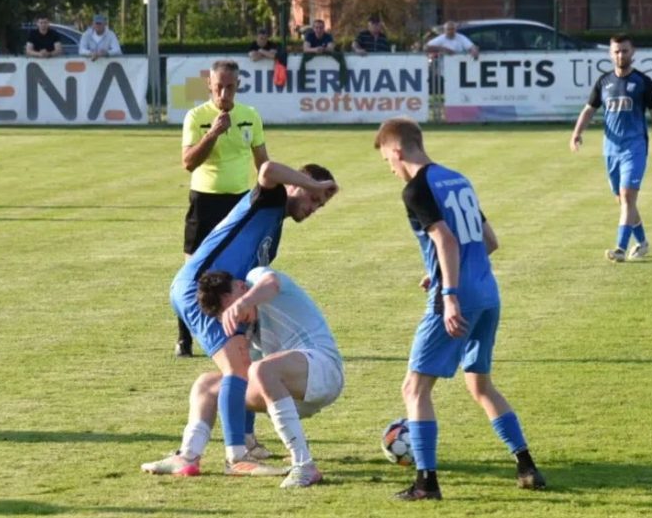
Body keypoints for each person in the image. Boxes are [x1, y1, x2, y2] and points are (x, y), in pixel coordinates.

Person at [374, 117, 545, 501]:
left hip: (458, 298)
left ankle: (426, 483)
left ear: (397, 151)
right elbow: (488, 240)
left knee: (414, 389)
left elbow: (446, 240)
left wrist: (449, 292)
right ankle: (526, 465)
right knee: (479, 384)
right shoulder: (457, 178)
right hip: (488, 293)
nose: (390, 169)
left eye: (388, 161)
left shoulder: (416, 189)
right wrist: (436, 272)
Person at [168, 160, 338, 477]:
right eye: (313, 198)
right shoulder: (271, 199)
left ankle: (200, 453)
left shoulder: (273, 226)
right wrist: (315, 184)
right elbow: (269, 168)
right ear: (295, 185)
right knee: (237, 368)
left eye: (321, 203)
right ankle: (237, 457)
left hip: (225, 292)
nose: (315, 206)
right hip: (204, 288)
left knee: (243, 366)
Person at [142, 266, 344, 488]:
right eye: (228, 315)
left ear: (240, 287)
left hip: (323, 371)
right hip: (285, 393)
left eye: (234, 310)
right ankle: (187, 457)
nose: (237, 318)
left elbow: (271, 284)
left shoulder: (256, 277)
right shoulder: (246, 328)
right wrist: (246, 438)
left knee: (262, 369)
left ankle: (304, 465)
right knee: (207, 384)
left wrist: (244, 302)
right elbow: (241, 380)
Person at [178, 59, 270, 358]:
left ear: (238, 86)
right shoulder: (196, 116)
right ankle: (184, 339)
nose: (224, 93)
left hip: (239, 203)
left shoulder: (250, 116)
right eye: (219, 87)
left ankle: (243, 334)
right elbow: (189, 162)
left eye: (230, 87)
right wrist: (213, 133)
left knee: (240, 273)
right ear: (209, 85)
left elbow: (262, 162)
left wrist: (265, 198)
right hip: (204, 201)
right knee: (192, 273)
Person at [569, 34, 652, 262]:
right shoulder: (604, 82)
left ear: (632, 52)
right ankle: (642, 242)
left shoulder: (643, 83)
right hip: (611, 150)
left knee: (627, 197)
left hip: (634, 147)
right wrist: (577, 133)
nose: (620, 55)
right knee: (624, 201)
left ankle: (620, 249)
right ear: (610, 53)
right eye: (616, 51)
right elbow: (589, 110)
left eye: (624, 51)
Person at [425, 21, 479, 95]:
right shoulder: (441, 39)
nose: (451, 31)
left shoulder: (460, 37)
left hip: (460, 69)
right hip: (445, 70)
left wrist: (474, 50)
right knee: (448, 91)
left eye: (452, 29)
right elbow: (426, 47)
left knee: (460, 90)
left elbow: (471, 46)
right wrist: (443, 49)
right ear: (445, 30)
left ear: (455, 29)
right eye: (448, 29)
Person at [298, 19, 348, 89]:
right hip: (312, 56)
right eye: (316, 27)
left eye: (321, 28)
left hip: (325, 55)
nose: (319, 30)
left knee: (340, 55)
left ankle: (343, 81)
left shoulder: (328, 36)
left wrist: (323, 49)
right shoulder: (309, 36)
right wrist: (315, 50)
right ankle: (301, 84)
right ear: (313, 28)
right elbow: (305, 48)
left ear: (323, 28)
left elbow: (331, 48)